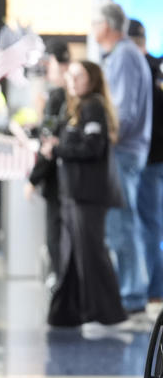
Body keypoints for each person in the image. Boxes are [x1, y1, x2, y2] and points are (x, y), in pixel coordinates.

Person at [40, 60, 127, 334]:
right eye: (71, 75)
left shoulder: (93, 106)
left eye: (79, 75)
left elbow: (93, 147)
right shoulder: (75, 108)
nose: (72, 80)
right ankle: (69, 312)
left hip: (88, 195)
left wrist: (58, 149)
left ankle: (109, 313)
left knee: (91, 253)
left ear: (92, 79)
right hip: (73, 194)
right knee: (74, 255)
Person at [94, 1, 152, 315]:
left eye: (95, 21)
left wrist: (104, 137)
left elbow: (124, 112)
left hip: (124, 151)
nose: (92, 28)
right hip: (128, 151)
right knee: (122, 223)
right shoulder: (123, 55)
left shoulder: (124, 57)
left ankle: (131, 294)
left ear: (109, 25)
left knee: (122, 224)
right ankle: (130, 290)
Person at [28, 39, 70, 288]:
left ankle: (61, 279)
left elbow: (49, 142)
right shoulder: (63, 96)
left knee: (57, 230)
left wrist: (33, 179)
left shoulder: (59, 96)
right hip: (70, 176)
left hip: (60, 179)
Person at [129, 19, 163, 318]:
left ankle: (153, 292)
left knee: (148, 226)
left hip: (148, 159)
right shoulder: (156, 66)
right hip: (154, 159)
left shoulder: (140, 69)